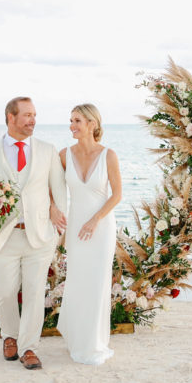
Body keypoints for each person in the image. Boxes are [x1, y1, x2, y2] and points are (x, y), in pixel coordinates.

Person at [0, 97, 67, 370]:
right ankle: (9, 336)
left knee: (35, 294)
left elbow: (59, 190)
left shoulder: (47, 151)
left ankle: (28, 348)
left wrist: (56, 217)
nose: (33, 120)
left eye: (34, 115)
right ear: (10, 118)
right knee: (4, 292)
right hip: (3, 236)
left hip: (39, 235)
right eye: (27, 115)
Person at [57, 103, 122, 365]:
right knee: (77, 281)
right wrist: (53, 208)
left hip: (101, 227)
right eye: (71, 120)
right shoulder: (64, 155)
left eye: (77, 121)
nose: (72, 126)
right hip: (75, 227)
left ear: (92, 124)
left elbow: (117, 195)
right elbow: (53, 188)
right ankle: (77, 339)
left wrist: (95, 220)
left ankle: (93, 343)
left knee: (97, 283)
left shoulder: (109, 155)